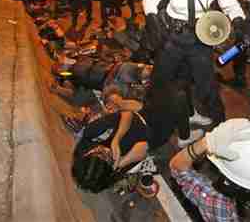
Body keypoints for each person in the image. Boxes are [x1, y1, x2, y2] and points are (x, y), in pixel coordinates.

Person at [72, 80, 205, 192]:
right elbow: (143, 147)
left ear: (88, 153)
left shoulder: (90, 136)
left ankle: (188, 116)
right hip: (153, 132)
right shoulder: (108, 172)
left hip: (141, 112)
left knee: (179, 82)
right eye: (107, 157)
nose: (105, 152)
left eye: (99, 152)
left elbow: (127, 114)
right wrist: (120, 162)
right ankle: (184, 137)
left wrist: (116, 140)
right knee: (179, 97)